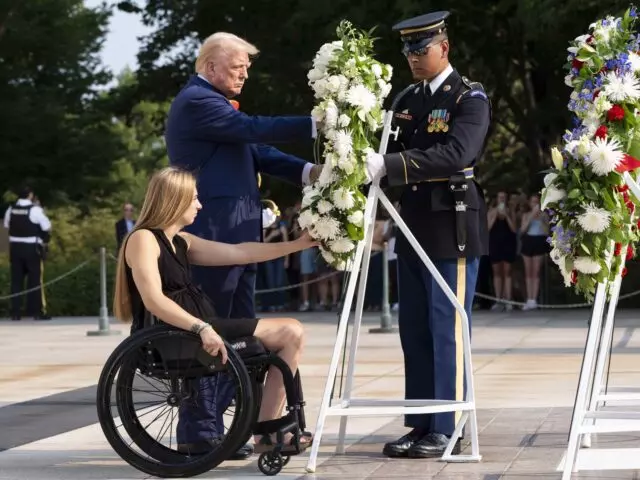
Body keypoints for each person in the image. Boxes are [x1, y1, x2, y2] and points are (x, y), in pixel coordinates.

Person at [164, 32, 322, 458]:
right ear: (211, 66)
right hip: (215, 234)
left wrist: (313, 172)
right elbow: (252, 129)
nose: (245, 74)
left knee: (241, 335)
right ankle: (199, 432)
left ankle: (245, 426)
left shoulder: (217, 104)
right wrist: (316, 122)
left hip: (239, 233)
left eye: (247, 68)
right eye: (238, 67)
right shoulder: (198, 101)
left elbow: (260, 151)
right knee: (213, 332)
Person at [113, 166, 317, 454]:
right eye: (194, 198)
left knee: (289, 334)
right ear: (175, 199)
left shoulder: (182, 241)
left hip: (196, 328)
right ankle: (267, 433)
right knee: (290, 331)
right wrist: (201, 328)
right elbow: (153, 300)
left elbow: (242, 252)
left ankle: (268, 430)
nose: (199, 204)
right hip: (174, 336)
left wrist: (296, 245)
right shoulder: (143, 239)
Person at [363, 11, 491, 458]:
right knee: (414, 329)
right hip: (412, 224)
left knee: (446, 327)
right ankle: (422, 425)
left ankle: (448, 426)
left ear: (444, 48)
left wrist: (393, 167)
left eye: (422, 49)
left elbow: (458, 152)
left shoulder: (468, 97)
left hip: (449, 224)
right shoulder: (409, 99)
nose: (413, 58)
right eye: (408, 50)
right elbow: (389, 149)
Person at [3, 186, 52, 321]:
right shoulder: (35, 210)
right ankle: (36, 311)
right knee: (35, 280)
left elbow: (7, 226)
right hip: (31, 248)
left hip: (15, 248)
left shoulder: (11, 209)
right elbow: (47, 227)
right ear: (30, 195)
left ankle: (15, 312)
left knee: (16, 281)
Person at [487, 191, 518, 311]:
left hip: (508, 243)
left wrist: (507, 215)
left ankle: (508, 299)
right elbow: (487, 228)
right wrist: (495, 214)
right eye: (500, 197)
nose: (502, 199)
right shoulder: (491, 211)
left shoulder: (511, 211)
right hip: (495, 243)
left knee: (507, 271)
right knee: (497, 272)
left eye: (504, 197)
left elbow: (514, 229)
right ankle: (498, 299)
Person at [519, 193, 549, 310]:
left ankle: (534, 299)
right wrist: (531, 217)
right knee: (528, 272)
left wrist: (541, 219)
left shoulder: (544, 215)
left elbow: (547, 232)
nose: (535, 204)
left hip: (539, 241)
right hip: (528, 241)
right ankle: (529, 298)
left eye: (537, 202)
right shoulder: (526, 215)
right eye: (533, 202)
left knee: (535, 272)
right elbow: (522, 230)